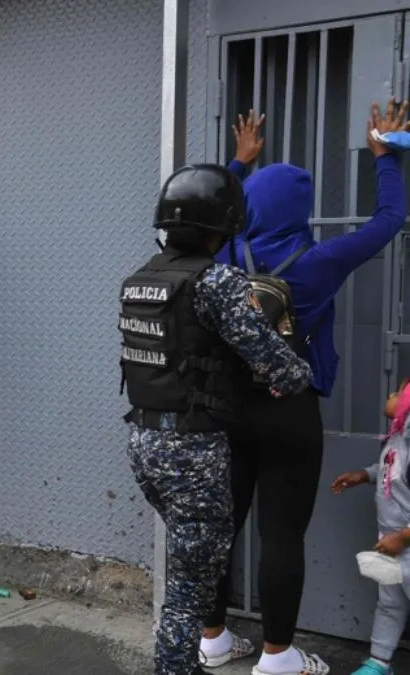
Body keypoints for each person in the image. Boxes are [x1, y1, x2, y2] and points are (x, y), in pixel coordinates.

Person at [201, 101, 409, 675]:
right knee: (282, 534)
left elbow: (203, 216)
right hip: (289, 410)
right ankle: (277, 658)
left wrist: (237, 165)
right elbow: (389, 220)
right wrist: (384, 157)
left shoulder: (221, 254)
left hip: (226, 409)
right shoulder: (318, 261)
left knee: (219, 527)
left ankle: (213, 640)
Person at [120, 163, 313, 675]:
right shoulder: (217, 282)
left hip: (144, 442)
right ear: (224, 226)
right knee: (188, 592)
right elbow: (274, 362)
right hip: (191, 453)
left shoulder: (141, 278)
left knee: (192, 569)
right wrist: (299, 372)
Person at [331, 378, 410, 675]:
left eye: (398, 392)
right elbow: (392, 469)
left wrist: (404, 537)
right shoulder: (399, 436)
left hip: (403, 541)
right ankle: (379, 662)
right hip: (392, 542)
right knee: (389, 604)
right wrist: (365, 475)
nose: (390, 395)